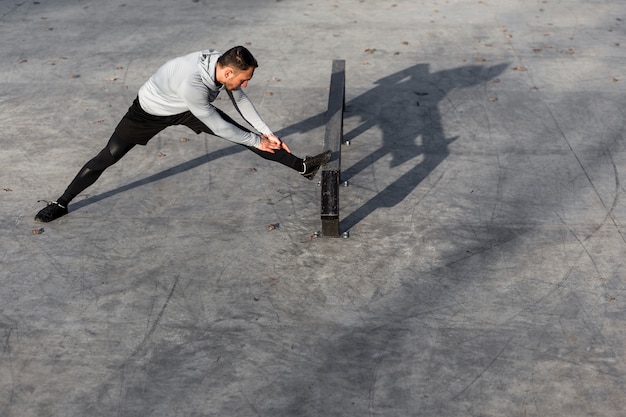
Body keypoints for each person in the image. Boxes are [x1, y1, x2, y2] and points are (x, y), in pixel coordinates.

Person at [34, 46, 331, 222]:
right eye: (245, 78)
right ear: (228, 73)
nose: (246, 84)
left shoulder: (221, 63)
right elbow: (218, 125)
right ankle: (61, 202)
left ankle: (304, 167)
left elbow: (239, 99)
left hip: (187, 107)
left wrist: (267, 132)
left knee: (249, 136)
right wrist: (256, 138)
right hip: (148, 112)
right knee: (108, 156)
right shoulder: (194, 83)